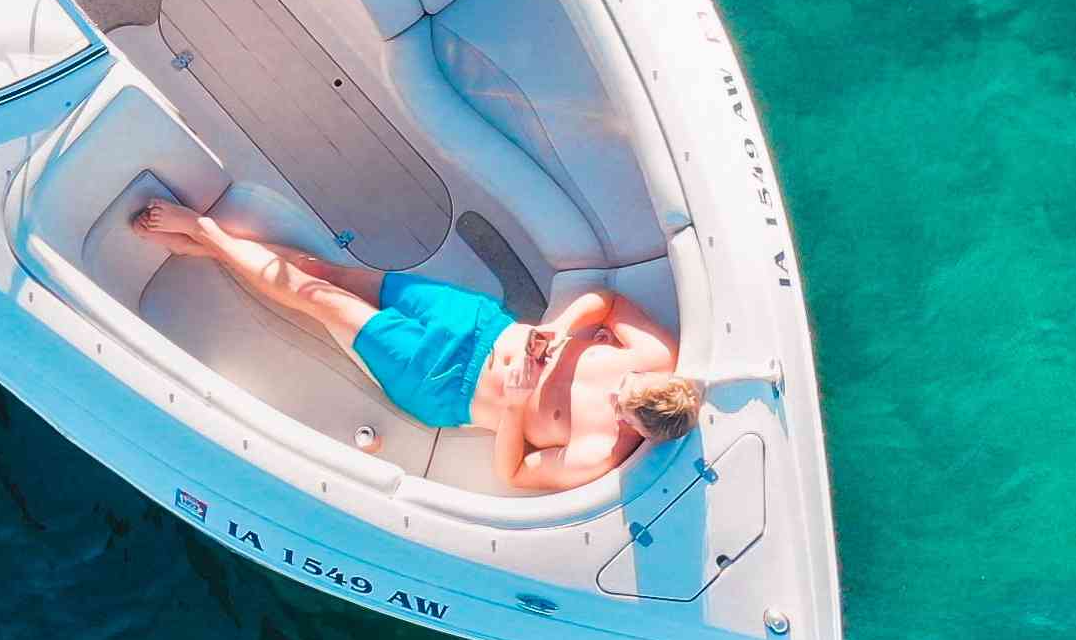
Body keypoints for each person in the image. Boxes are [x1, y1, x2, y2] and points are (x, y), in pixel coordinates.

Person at [124, 198, 708, 485]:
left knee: (319, 300)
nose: (615, 391)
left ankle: (203, 231)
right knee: (330, 275)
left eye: (621, 403)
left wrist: (512, 403)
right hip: (478, 325)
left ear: (633, 428)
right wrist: (559, 329)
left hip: (440, 382)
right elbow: (604, 303)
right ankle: (211, 247)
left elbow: (515, 473)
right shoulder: (655, 355)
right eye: (627, 384)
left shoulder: (596, 454)